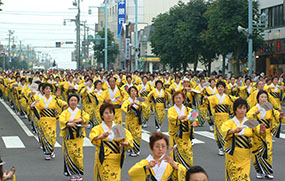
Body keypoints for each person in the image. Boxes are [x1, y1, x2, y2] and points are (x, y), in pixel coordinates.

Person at [221, 98, 266, 181]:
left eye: (244, 108)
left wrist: (261, 131)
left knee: (244, 178)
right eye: (240, 108)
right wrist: (233, 131)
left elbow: (257, 131)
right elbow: (224, 130)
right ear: (235, 110)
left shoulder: (250, 122)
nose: (242, 110)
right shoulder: (229, 122)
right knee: (233, 177)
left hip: (245, 156)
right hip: (232, 155)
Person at [89, 103, 133, 181]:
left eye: (111, 113)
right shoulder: (98, 128)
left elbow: (128, 136)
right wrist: (101, 137)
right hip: (103, 158)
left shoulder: (118, 128)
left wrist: (126, 142)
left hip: (116, 159)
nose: (109, 115)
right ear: (102, 115)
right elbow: (92, 137)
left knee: (115, 178)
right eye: (106, 113)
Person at [247, 90, 282, 179]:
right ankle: (259, 171)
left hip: (267, 132)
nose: (264, 99)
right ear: (258, 98)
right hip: (257, 133)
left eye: (265, 97)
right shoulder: (254, 108)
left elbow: (276, 114)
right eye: (262, 97)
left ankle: (268, 171)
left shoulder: (269, 108)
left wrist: (279, 115)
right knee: (257, 152)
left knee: (268, 151)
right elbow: (248, 116)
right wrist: (255, 114)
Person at [59, 94, 90, 181]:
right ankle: (72, 173)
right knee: (69, 154)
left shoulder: (80, 112)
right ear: (68, 101)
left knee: (79, 154)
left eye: (75, 100)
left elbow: (87, 117)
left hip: (78, 136)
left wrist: (81, 119)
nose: (73, 102)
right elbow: (61, 119)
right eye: (71, 100)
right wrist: (67, 123)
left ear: (77, 102)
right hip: (68, 136)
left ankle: (78, 173)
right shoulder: (65, 112)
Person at [35, 83, 67, 160]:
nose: (48, 90)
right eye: (46, 89)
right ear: (43, 91)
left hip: (52, 120)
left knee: (52, 136)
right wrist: (32, 106)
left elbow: (62, 104)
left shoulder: (54, 99)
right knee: (45, 136)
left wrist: (64, 104)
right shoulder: (40, 100)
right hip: (43, 120)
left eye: (49, 89)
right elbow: (36, 108)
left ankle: (51, 149)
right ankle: (47, 152)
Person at [168, 91, 198, 170]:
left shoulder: (188, 110)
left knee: (188, 156)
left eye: (180, 98)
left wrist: (195, 122)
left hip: (186, 137)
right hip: (176, 137)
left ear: (183, 99)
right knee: (176, 158)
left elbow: (194, 118)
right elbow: (170, 118)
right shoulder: (171, 110)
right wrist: (178, 118)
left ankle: (187, 173)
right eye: (176, 98)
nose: (178, 100)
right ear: (173, 99)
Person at [205, 80, 237, 156]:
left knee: (225, 132)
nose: (220, 88)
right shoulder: (213, 97)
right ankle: (220, 148)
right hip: (217, 117)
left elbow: (234, 99)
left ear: (224, 88)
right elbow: (208, 101)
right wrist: (206, 98)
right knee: (218, 133)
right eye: (219, 87)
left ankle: (225, 146)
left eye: (222, 87)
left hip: (226, 117)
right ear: (217, 88)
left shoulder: (227, 97)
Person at [122, 86, 142, 157]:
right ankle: (131, 149)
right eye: (132, 91)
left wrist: (140, 106)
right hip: (130, 121)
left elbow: (145, 106)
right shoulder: (127, 101)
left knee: (138, 135)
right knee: (130, 135)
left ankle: (136, 149)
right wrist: (129, 106)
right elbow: (124, 108)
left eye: (135, 91)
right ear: (129, 93)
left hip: (137, 120)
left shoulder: (139, 100)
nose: (133, 92)